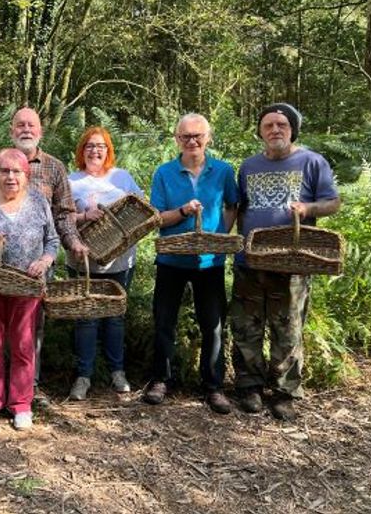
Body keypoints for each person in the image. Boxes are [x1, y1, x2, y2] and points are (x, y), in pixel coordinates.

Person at [0, 107, 86, 407]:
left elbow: (64, 215)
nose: (25, 129)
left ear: (40, 131)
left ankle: (27, 392)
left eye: (31, 125)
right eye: (19, 124)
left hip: (34, 271)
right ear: (12, 130)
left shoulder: (54, 167)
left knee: (31, 333)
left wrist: (71, 244)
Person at [231, 103, 340, 421]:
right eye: (268, 125)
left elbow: (332, 203)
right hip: (250, 261)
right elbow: (239, 208)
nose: (275, 130)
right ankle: (249, 385)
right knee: (245, 326)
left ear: (292, 129)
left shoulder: (312, 162)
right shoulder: (248, 166)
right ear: (260, 131)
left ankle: (283, 392)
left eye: (282, 124)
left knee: (288, 329)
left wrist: (307, 210)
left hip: (292, 261)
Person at [143, 114, 238, 414]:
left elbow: (233, 205)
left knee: (213, 325)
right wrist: (183, 211)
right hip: (171, 259)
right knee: (164, 322)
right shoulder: (164, 172)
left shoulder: (223, 171)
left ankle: (213, 386)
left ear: (208, 137)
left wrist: (220, 235)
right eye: (185, 136)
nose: (192, 141)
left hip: (210, 261)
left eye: (198, 136)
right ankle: (161, 380)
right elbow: (157, 218)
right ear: (176, 139)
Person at [0, 148, 60, 430]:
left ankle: (21, 404)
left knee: (23, 344)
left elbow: (52, 240)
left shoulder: (40, 202)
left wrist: (44, 260)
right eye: (4, 171)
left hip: (27, 286)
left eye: (17, 171)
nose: (10, 176)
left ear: (26, 176)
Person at [65, 127, 144, 401]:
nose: (95, 150)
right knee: (85, 318)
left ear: (108, 150)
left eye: (100, 146)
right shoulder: (71, 180)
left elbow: (141, 207)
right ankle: (83, 376)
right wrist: (85, 215)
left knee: (115, 317)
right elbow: (60, 219)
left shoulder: (122, 177)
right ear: (81, 150)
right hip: (82, 261)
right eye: (89, 145)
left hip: (121, 261)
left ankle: (117, 372)